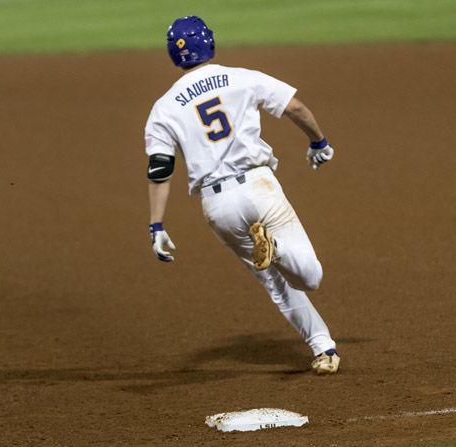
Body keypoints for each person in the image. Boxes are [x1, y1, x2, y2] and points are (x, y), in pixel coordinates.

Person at [144, 16, 340, 374]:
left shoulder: (163, 107)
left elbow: (160, 168)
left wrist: (156, 225)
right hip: (259, 187)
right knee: (310, 277)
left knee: (276, 283)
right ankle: (276, 249)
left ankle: (323, 347)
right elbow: (294, 107)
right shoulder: (242, 77)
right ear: (210, 43)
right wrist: (319, 142)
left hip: (218, 207)